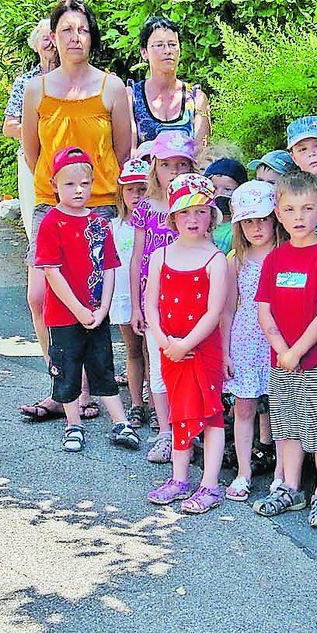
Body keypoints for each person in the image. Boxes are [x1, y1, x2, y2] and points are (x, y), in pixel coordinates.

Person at [17, 0, 135, 425]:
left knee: (86, 296)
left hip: (98, 205)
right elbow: (34, 153)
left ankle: (83, 393)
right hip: (50, 206)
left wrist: (95, 190)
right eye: (66, 30)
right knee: (40, 297)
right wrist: (58, 189)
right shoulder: (37, 89)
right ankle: (62, 384)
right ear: (54, 36)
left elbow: (124, 149)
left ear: (92, 36)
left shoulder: (111, 87)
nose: (74, 37)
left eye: (82, 30)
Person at [253, 171, 317, 521]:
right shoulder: (274, 259)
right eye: (290, 209)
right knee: (286, 427)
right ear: (278, 213)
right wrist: (281, 349)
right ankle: (290, 488)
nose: (298, 217)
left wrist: (297, 352)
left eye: (306, 208)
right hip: (280, 362)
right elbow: (264, 311)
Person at [34, 146, 141, 454]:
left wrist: (103, 307)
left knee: (102, 367)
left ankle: (119, 422)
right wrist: (79, 309)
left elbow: (108, 267)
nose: (78, 190)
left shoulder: (98, 222)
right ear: (54, 184)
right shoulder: (52, 223)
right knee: (67, 371)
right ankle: (73, 422)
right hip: (64, 315)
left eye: (84, 183)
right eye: (69, 184)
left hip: (96, 314)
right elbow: (51, 272)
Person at [143, 174, 233, 514]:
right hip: (169, 349)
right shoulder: (160, 257)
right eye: (185, 213)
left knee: (210, 414)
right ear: (173, 218)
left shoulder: (216, 260)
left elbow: (214, 312)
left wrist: (186, 344)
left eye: (200, 211)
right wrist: (165, 341)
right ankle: (179, 478)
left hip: (201, 350)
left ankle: (210, 484)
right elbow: (150, 303)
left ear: (211, 215)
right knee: (180, 411)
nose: (192, 219)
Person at [127, 128, 200, 459]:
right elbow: (137, 258)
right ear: (155, 166)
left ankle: (191, 428)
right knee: (158, 365)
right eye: (168, 165)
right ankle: (165, 431)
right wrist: (136, 307)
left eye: (182, 165)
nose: (175, 172)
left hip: (191, 301)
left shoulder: (197, 206)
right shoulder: (144, 208)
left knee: (190, 365)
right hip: (154, 301)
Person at [223, 180, 279, 502]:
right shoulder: (236, 260)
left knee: (281, 408)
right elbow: (228, 310)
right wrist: (225, 352)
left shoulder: (285, 255)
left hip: (278, 341)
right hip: (245, 342)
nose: (256, 227)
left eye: (262, 219)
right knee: (244, 408)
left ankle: (282, 473)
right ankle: (244, 471)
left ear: (274, 217)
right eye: (248, 221)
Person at [3, 18, 56, 225]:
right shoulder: (25, 82)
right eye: (45, 39)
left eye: (54, 37)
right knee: (36, 219)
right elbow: (9, 127)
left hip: (69, 159)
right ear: (35, 46)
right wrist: (40, 130)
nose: (51, 43)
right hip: (32, 160)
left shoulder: (73, 79)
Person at [129, 16, 209, 152]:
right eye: (159, 45)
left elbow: (201, 152)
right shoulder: (132, 96)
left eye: (172, 45)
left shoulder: (196, 98)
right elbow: (129, 152)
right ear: (144, 52)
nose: (167, 50)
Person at [112, 156, 151, 424]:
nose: (136, 195)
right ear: (121, 192)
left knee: (152, 351)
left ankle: (154, 398)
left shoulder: (155, 223)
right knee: (133, 349)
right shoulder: (114, 227)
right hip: (125, 298)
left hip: (151, 297)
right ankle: (136, 402)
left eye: (142, 189)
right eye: (130, 189)